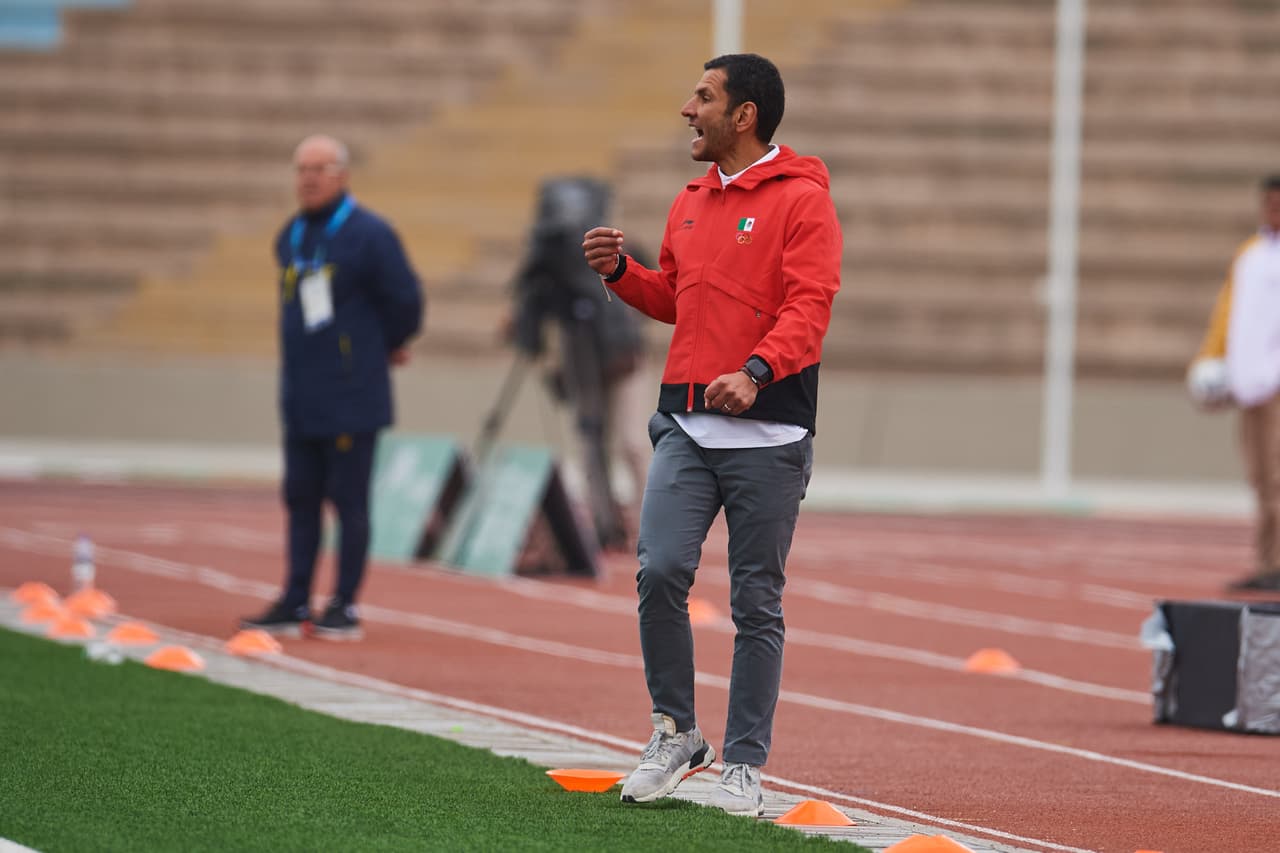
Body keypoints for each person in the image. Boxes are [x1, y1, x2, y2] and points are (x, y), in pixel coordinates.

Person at [582, 53, 842, 816]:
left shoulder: (803, 200)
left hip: (768, 432)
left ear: (744, 115)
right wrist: (622, 275)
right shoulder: (690, 199)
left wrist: (757, 372)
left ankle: (745, 762)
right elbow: (674, 299)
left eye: (703, 96)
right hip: (687, 428)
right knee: (660, 570)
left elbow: (811, 306)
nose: (686, 109)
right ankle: (676, 732)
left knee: (756, 601)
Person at [242, 134, 424, 639]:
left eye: (320, 168)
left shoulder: (370, 235)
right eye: (301, 168)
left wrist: (385, 343)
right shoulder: (292, 235)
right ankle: (296, 597)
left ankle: (344, 604)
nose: (309, 178)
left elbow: (406, 301)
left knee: (349, 502)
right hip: (301, 391)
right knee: (300, 498)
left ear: (342, 174)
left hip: (352, 394)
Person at [510, 176, 651, 550]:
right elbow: (530, 308)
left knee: (634, 442)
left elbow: (654, 293)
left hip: (623, 358)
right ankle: (604, 522)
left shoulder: (625, 247)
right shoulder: (551, 265)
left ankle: (655, 521)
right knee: (590, 443)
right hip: (580, 359)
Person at [1192, 174, 1280, 593]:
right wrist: (1212, 356)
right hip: (1251, 386)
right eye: (1269, 203)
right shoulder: (1251, 255)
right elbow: (1229, 312)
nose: (1273, 211)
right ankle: (1268, 561)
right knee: (1261, 478)